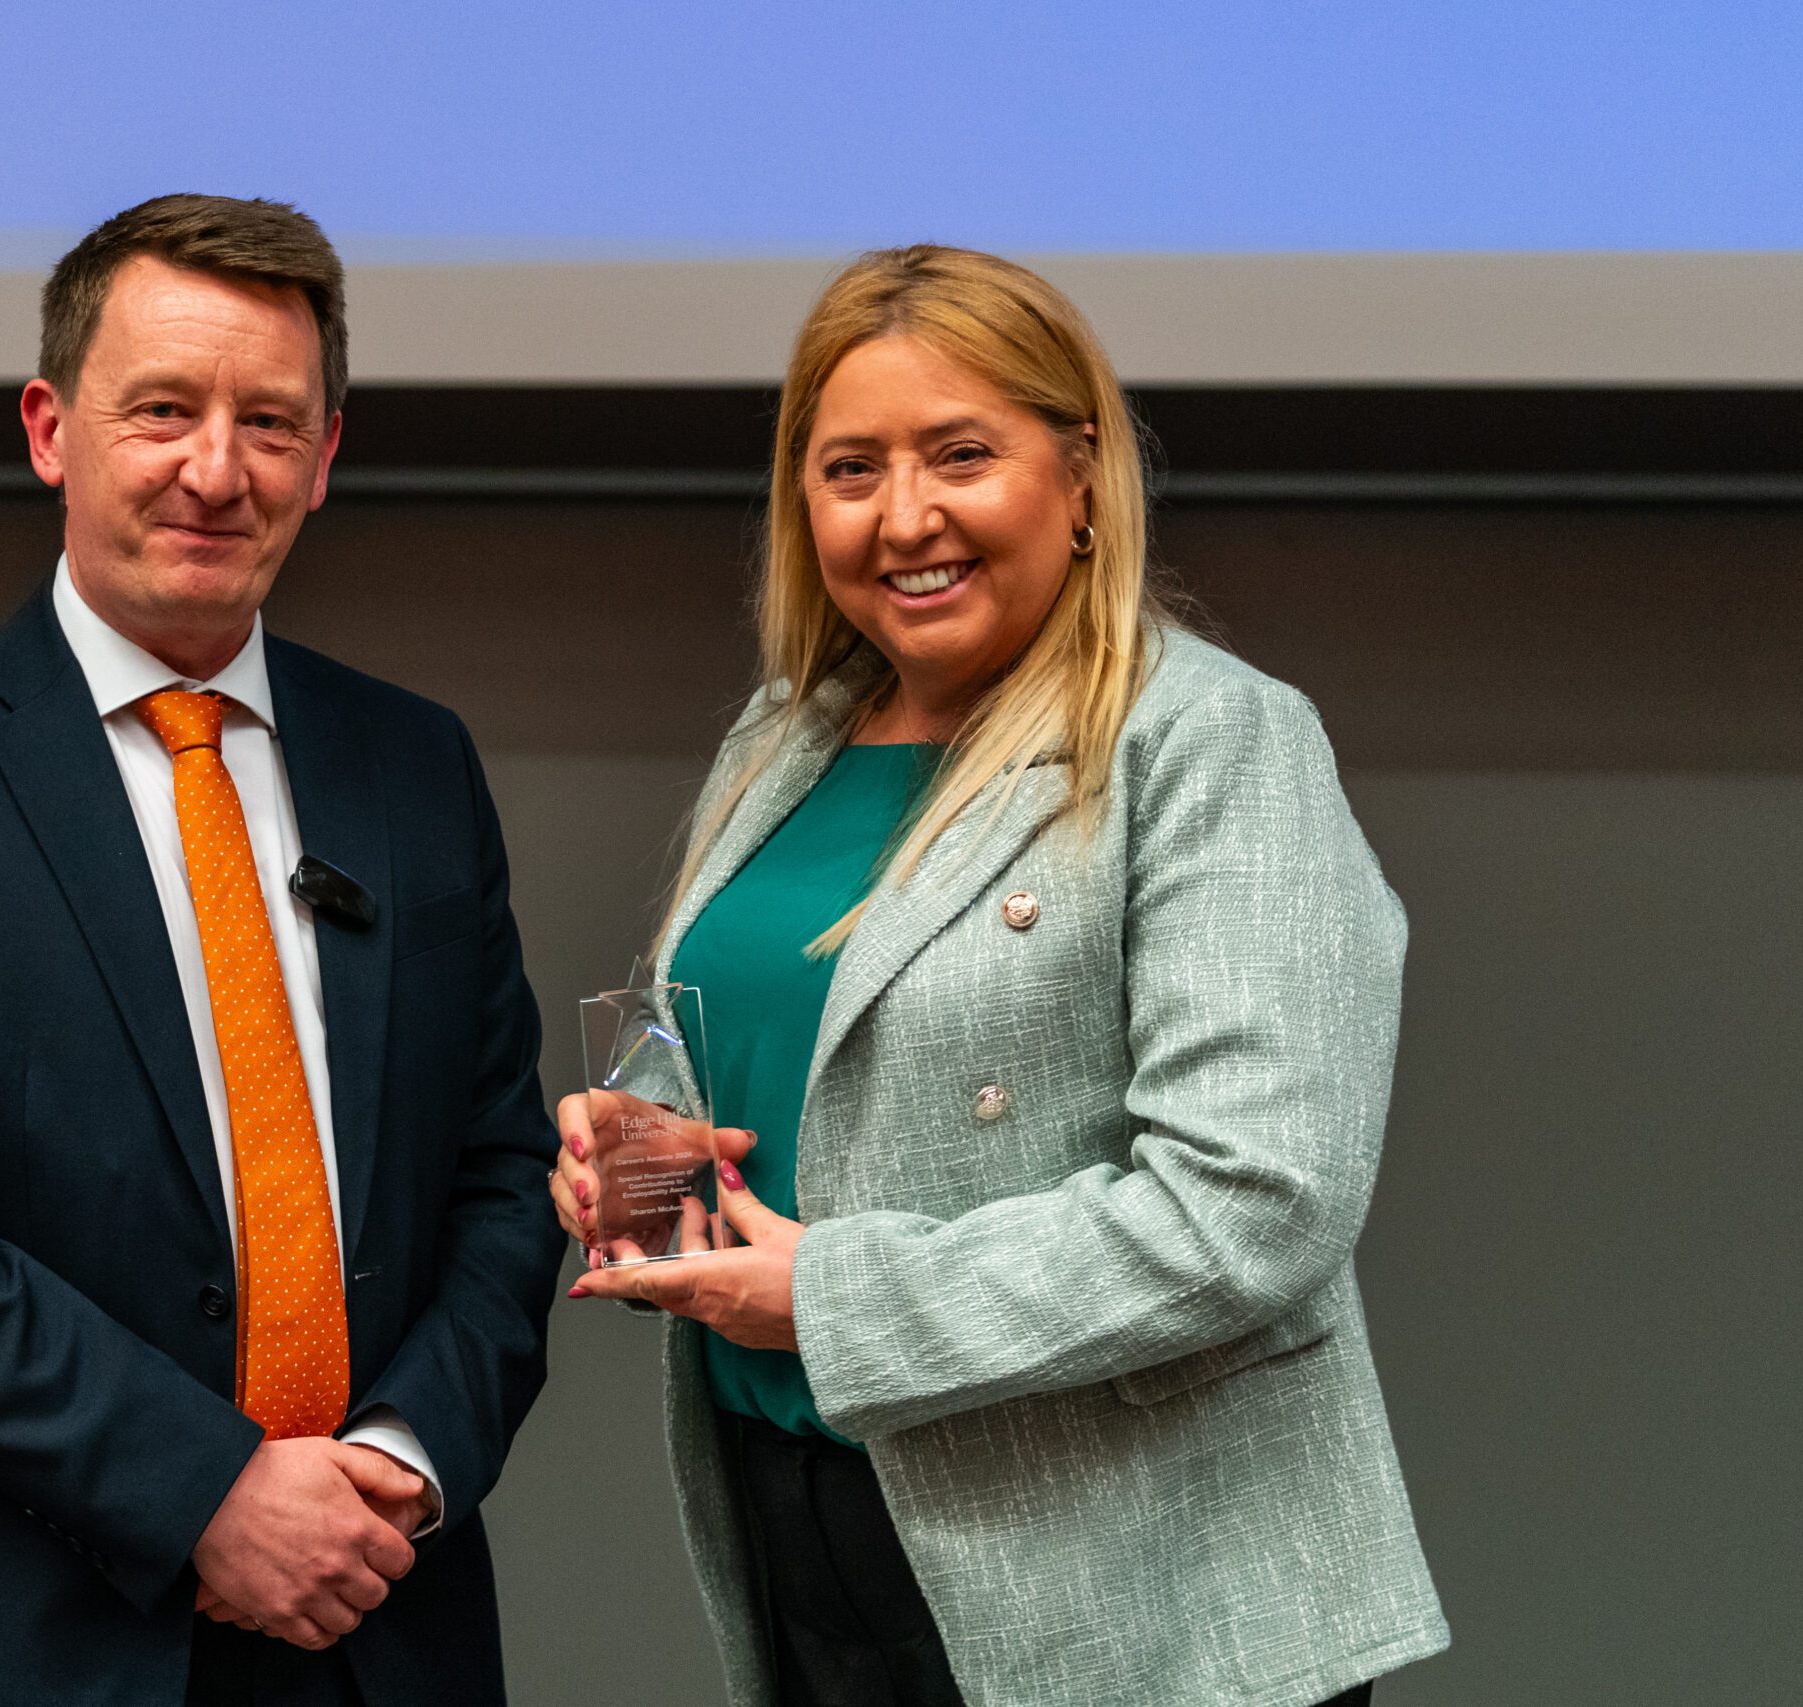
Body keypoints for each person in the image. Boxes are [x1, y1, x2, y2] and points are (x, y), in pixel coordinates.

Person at [551, 246, 1448, 1707]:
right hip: (804, 1529)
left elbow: (1257, 1204)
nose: (906, 517)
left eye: (960, 454)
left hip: (1132, 1590)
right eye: (851, 470)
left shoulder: (1213, 742)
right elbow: (731, 1039)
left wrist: (833, 1298)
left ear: (1081, 475)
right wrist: (644, 1167)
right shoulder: (782, 737)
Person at [0, 194, 565, 1707]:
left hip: (377, 1624)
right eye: (164, 411)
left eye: (269, 422)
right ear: (52, 429)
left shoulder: (415, 765)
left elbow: (504, 1182)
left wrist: (394, 1468)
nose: (215, 470)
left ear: (324, 461)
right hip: (5, 1635)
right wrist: (207, 1491)